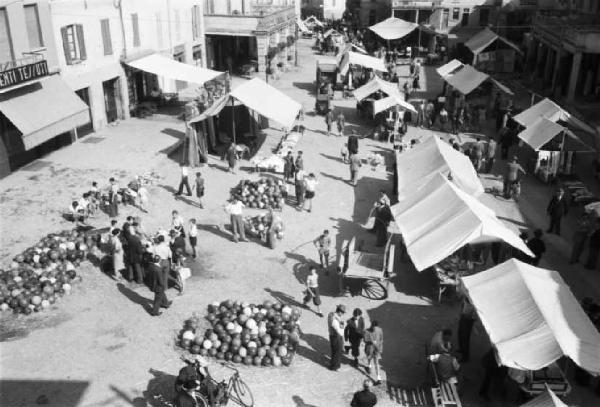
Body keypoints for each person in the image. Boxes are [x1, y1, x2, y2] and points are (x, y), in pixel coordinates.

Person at [364, 320, 383, 384]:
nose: (374, 329)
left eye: (375, 328)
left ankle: (378, 377)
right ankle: (370, 367)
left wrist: (379, 347)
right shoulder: (368, 331)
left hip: (373, 349)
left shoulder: (368, 331)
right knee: (373, 360)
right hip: (373, 349)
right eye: (373, 328)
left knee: (375, 362)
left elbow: (381, 339)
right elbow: (365, 340)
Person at [327, 304, 346, 371]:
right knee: (337, 352)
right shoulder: (335, 319)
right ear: (340, 312)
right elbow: (339, 331)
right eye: (343, 313)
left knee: (334, 351)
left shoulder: (331, 314)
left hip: (332, 335)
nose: (342, 314)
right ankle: (334, 367)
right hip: (336, 337)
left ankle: (333, 364)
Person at [457, 296, 476, 362]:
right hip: (464, 317)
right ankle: (462, 349)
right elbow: (463, 304)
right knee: (460, 334)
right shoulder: (466, 296)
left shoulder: (474, 299)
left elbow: (471, 312)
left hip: (468, 319)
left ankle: (465, 357)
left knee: (465, 338)